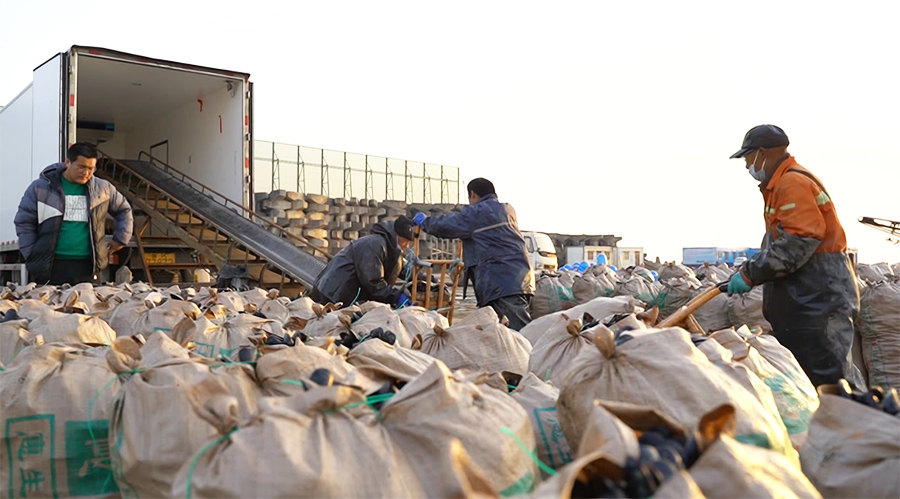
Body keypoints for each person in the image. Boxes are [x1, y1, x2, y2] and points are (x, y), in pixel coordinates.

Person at [727, 124, 864, 388]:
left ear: (763, 153)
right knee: (813, 381)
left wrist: (751, 273)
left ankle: (863, 425)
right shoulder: (777, 185)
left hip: (819, 299)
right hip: (806, 301)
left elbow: (798, 242)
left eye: (748, 158)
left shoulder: (792, 183)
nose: (747, 166)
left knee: (832, 379)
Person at [413, 178, 535, 330]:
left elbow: (447, 225)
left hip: (501, 282)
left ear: (473, 195)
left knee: (517, 335)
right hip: (522, 279)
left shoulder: (478, 212)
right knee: (499, 333)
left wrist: (424, 222)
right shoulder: (507, 209)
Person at [14, 142, 133, 285]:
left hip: (88, 267)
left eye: (91, 168)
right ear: (68, 162)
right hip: (51, 266)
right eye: (81, 167)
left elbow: (124, 210)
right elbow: (24, 221)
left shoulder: (103, 189)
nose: (86, 173)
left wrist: (120, 239)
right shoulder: (41, 188)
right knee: (50, 307)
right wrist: (32, 253)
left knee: (86, 307)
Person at [310, 216, 416, 308]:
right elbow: (373, 283)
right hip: (333, 293)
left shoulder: (391, 248)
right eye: (404, 241)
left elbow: (399, 268)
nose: (406, 246)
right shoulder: (374, 245)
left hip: (344, 293)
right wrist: (396, 296)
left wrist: (420, 278)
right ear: (395, 235)